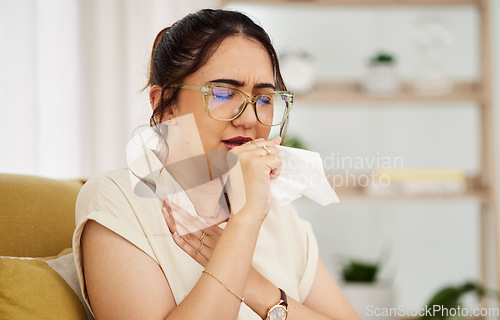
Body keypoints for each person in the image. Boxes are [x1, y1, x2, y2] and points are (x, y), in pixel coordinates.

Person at [72, 8, 360, 320]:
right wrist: (245, 223)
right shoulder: (117, 199)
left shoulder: (279, 215)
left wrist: (257, 287)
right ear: (165, 104)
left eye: (264, 99)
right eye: (223, 93)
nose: (250, 118)